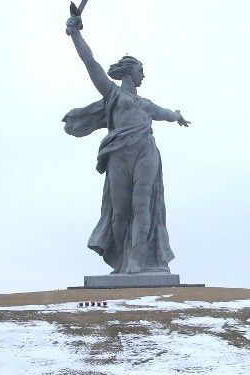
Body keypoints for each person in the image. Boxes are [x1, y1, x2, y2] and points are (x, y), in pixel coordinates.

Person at [64, 10, 191, 275]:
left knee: (142, 204)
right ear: (130, 72)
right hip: (118, 155)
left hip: (145, 152)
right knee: (120, 211)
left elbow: (166, 113)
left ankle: (138, 258)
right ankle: (122, 259)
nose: (144, 76)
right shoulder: (113, 95)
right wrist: (75, 34)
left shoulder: (146, 105)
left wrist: (177, 116)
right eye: (141, 71)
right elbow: (91, 64)